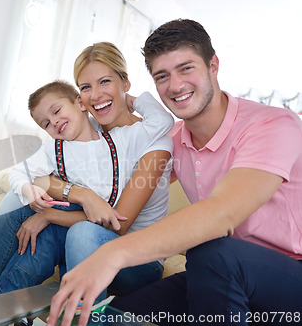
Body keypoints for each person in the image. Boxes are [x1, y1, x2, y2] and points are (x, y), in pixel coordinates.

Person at [46, 19, 302, 326]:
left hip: (289, 278)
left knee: (211, 250)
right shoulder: (173, 140)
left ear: (213, 65)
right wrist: (67, 190)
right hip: (216, 275)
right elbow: (114, 184)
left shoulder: (272, 125)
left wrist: (113, 254)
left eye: (186, 68)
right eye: (162, 76)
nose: (175, 85)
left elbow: (221, 215)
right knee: (117, 317)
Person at [0, 42, 174, 302]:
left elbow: (118, 223)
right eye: (86, 87)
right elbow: (37, 175)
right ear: (79, 97)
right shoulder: (86, 130)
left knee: (76, 232)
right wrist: (80, 194)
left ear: (125, 83)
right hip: (88, 225)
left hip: (137, 255)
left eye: (105, 82)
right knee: (19, 206)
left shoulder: (150, 140)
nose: (95, 95)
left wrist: (49, 215)